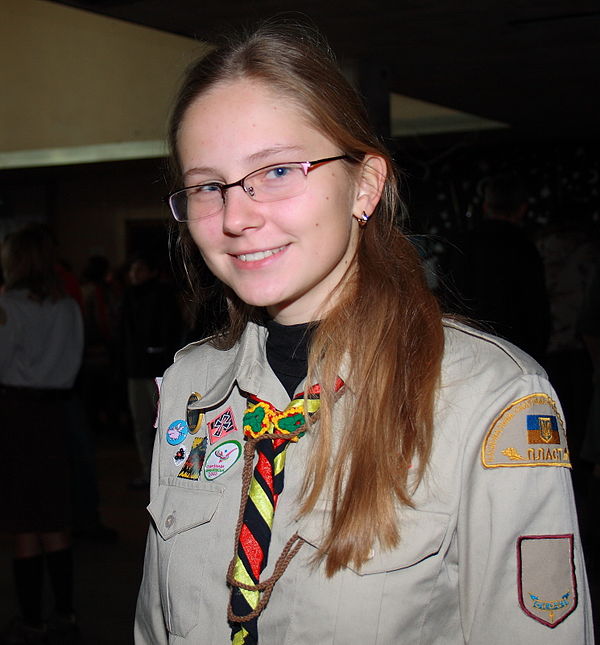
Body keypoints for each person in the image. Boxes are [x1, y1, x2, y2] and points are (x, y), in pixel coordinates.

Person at [134, 24, 593, 644]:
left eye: (276, 171)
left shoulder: (490, 400)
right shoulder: (192, 388)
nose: (237, 216)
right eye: (209, 186)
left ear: (365, 185)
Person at [0, 224, 83, 644]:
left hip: (16, 413)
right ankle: (65, 612)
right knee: (54, 516)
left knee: (23, 521)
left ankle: (31, 618)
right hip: (57, 413)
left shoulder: (10, 306)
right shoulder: (68, 306)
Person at [440, 173, 551, 363]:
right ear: (522, 209)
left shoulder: (462, 244)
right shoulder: (526, 247)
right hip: (517, 352)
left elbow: (449, 295)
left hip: (470, 349)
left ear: (485, 207)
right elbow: (536, 306)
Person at [119, 253, 182, 488]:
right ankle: (148, 472)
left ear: (151, 271)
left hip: (158, 370)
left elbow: (171, 330)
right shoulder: (127, 296)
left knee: (163, 423)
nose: (135, 274)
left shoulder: (163, 295)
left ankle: (164, 474)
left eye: (140, 269)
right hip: (135, 369)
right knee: (140, 423)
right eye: (132, 269)